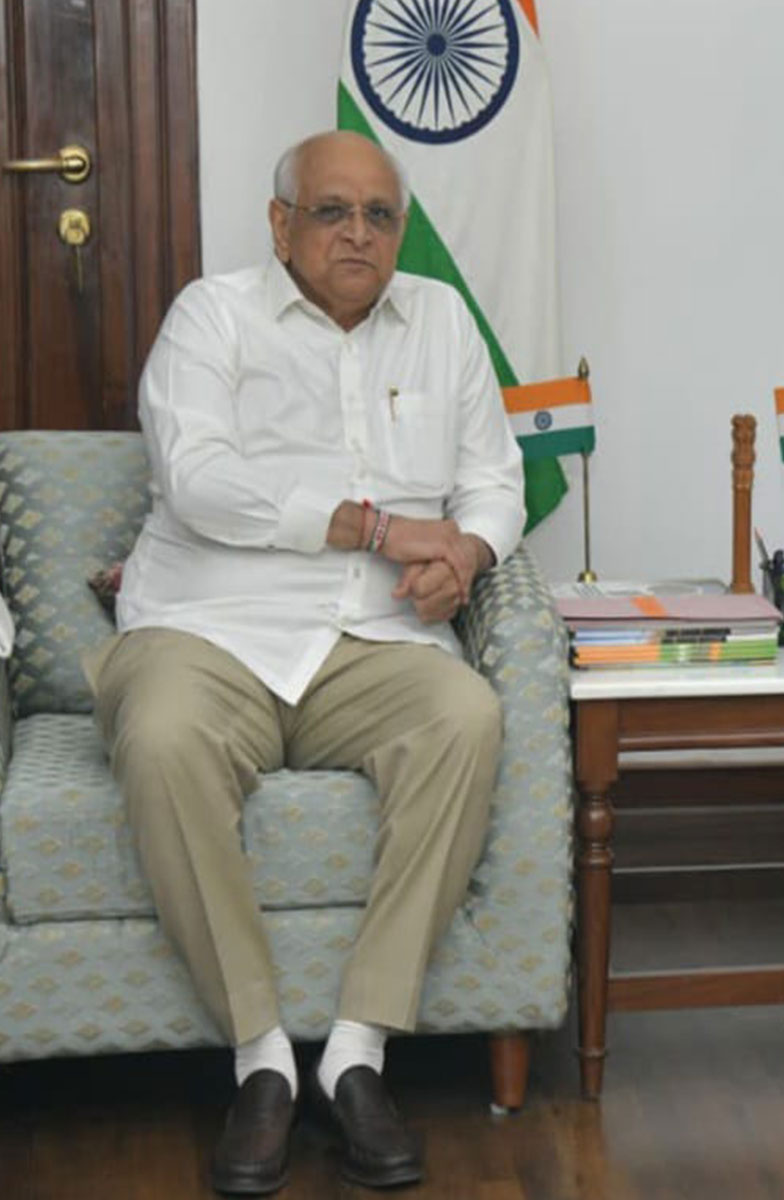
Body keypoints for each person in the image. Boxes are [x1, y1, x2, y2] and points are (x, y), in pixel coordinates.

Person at [84, 130, 526, 1194]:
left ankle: (359, 1051)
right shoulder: (212, 317)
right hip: (207, 628)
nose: (359, 234)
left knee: (465, 717)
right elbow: (198, 483)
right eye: (332, 211)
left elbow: (496, 480)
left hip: (369, 641)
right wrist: (375, 530)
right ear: (280, 226)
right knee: (160, 734)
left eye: (379, 214)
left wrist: (465, 553)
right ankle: (262, 1059)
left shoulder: (443, 322)